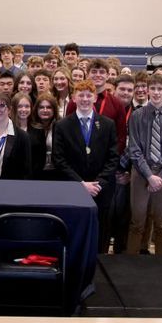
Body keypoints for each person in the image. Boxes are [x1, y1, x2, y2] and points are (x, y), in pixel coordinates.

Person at [52, 79, 119, 253]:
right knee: (75, 230)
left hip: (100, 189)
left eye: (89, 95)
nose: (85, 99)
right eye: (80, 95)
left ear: (95, 98)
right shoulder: (61, 125)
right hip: (73, 189)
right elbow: (59, 160)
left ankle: (101, 262)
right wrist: (81, 184)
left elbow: (113, 157)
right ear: (73, 98)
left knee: (101, 231)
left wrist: (98, 183)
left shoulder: (107, 124)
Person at [127, 74, 162, 255]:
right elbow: (134, 148)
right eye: (153, 89)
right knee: (137, 222)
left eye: (160, 89)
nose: (156, 92)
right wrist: (149, 176)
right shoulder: (137, 115)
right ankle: (131, 262)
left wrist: (161, 177)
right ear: (147, 91)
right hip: (141, 173)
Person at [28, 93, 60, 180]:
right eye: (41, 107)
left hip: (56, 173)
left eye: (49, 107)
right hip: (35, 174)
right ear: (36, 109)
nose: (45, 110)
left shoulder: (61, 127)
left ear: (54, 109)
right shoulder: (30, 126)